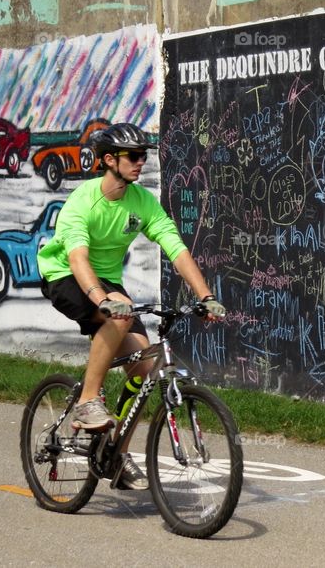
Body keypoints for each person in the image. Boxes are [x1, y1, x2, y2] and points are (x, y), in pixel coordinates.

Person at [37, 122, 225, 490]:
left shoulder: (141, 201)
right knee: (120, 311)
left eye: (144, 155)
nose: (141, 162)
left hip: (106, 281)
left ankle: (114, 455)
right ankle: (88, 399)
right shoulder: (83, 201)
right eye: (133, 156)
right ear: (109, 160)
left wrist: (206, 296)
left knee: (145, 366)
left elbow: (175, 247)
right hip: (64, 274)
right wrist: (102, 300)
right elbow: (77, 259)